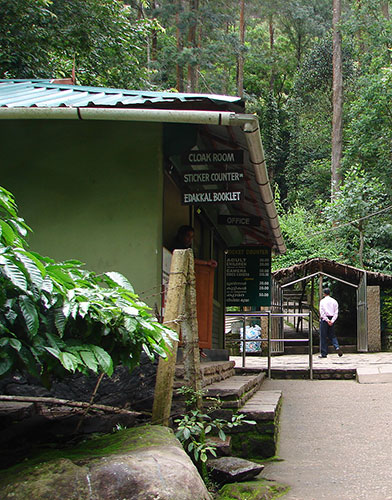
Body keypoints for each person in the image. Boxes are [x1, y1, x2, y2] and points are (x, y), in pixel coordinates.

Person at [319, 288, 343, 358]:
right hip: (332, 318)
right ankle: (336, 346)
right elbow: (336, 312)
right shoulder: (334, 301)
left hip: (324, 319)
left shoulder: (322, 301)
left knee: (323, 336)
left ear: (324, 293)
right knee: (332, 335)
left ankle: (324, 353)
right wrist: (332, 321)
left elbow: (322, 312)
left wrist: (326, 320)